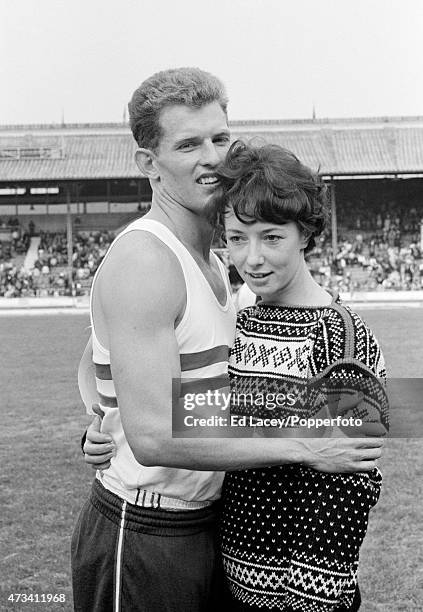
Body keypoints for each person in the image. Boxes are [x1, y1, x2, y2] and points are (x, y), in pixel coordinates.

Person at [74, 68, 384, 612]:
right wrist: (306, 446)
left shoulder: (220, 265)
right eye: (188, 144)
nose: (213, 158)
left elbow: (94, 357)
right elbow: (151, 435)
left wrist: (100, 414)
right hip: (148, 528)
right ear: (148, 163)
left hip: (208, 525)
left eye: (220, 138)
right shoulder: (147, 259)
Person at [208, 141, 388, 611]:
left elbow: (353, 480)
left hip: (298, 599)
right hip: (229, 585)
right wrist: (111, 436)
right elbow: (217, 429)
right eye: (237, 238)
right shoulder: (246, 321)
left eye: (272, 237)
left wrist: (307, 602)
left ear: (305, 233)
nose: (252, 259)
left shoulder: (343, 337)